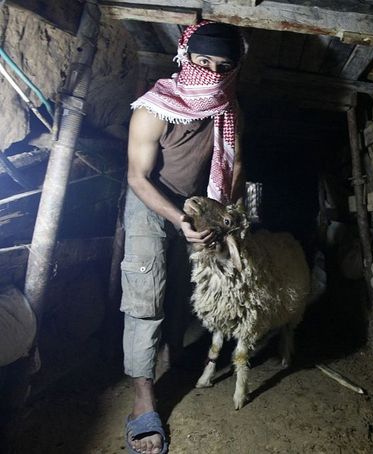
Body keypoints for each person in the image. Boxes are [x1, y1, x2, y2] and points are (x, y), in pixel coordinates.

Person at [121, 21, 245, 454]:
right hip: (152, 203)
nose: (211, 72)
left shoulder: (227, 110)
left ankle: (172, 355)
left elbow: (235, 165)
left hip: (196, 205)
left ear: (233, 70)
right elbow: (137, 177)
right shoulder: (154, 108)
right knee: (146, 295)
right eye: (202, 61)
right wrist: (178, 220)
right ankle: (142, 401)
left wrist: (217, 216)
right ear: (185, 57)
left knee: (181, 290)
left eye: (222, 65)